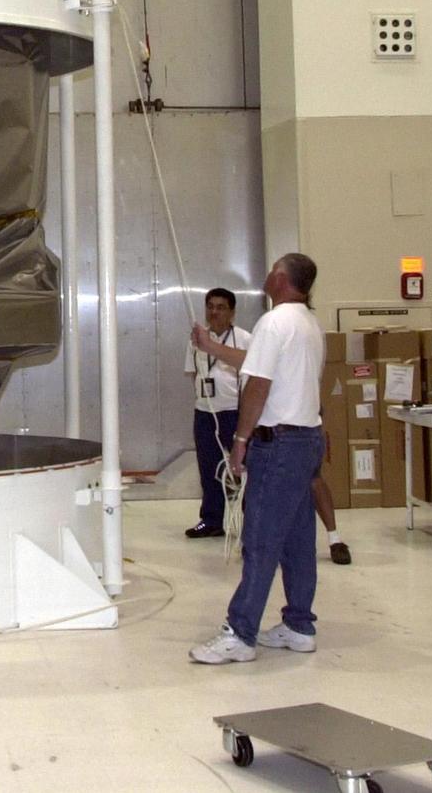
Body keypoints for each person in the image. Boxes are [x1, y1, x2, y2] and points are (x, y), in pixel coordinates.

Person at [189, 252, 326, 665]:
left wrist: (240, 440)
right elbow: (257, 363)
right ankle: (299, 625)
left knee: (260, 540)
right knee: (298, 539)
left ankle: (240, 633)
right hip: (306, 439)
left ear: (281, 279)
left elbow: (258, 385)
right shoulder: (308, 323)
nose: (267, 276)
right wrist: (211, 347)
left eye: (272, 271)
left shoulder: (273, 322)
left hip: (278, 444)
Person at [182, 287, 251, 539]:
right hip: (205, 413)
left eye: (221, 307)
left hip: (234, 412)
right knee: (208, 466)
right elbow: (193, 373)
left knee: (243, 468)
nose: (214, 312)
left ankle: (250, 521)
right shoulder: (196, 340)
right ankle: (211, 520)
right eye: (210, 307)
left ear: (231, 312)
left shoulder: (244, 339)